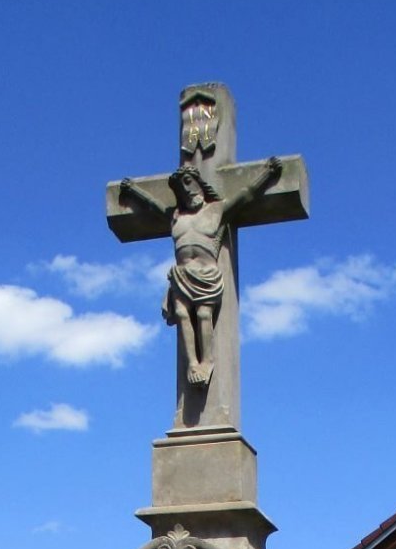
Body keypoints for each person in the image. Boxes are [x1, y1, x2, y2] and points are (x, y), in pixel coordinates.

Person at [119, 158, 282, 388]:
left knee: (204, 315)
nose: (185, 190)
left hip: (207, 275)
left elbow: (246, 194)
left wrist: (267, 174)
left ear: (199, 183)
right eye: (179, 188)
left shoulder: (216, 210)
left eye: (188, 183)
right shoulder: (176, 217)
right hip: (182, 275)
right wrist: (134, 190)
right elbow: (152, 206)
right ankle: (193, 364)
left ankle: (207, 360)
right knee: (183, 315)